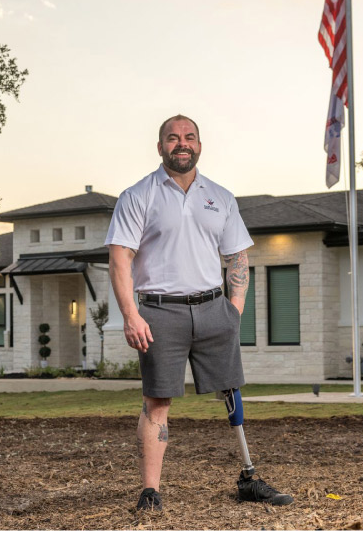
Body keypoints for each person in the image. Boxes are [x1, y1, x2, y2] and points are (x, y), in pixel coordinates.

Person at [105, 114, 294, 512]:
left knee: (230, 389)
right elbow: (120, 257)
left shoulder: (220, 197)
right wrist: (130, 314)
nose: (181, 144)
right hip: (159, 312)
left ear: (200, 145)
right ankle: (150, 493)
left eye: (189, 137)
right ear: (160, 148)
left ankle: (248, 477)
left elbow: (236, 256)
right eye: (172, 138)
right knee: (157, 402)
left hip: (213, 308)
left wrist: (233, 311)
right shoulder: (138, 195)